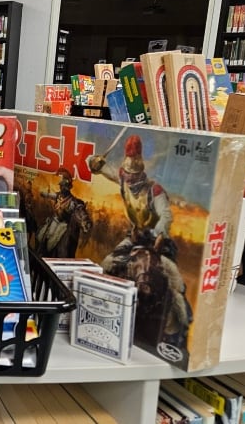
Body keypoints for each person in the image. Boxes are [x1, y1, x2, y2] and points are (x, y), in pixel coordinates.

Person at [88, 134, 191, 346]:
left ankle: (180, 325)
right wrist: (94, 161)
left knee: (175, 280)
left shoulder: (154, 190)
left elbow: (166, 214)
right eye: (126, 176)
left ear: (140, 175)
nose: (129, 181)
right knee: (107, 263)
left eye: (133, 178)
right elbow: (99, 167)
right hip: (134, 236)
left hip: (156, 240)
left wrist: (160, 233)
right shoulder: (123, 179)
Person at [35, 167, 91, 258]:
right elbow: (50, 195)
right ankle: (42, 252)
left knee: (55, 236)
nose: (61, 188)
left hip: (64, 223)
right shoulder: (58, 195)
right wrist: (43, 193)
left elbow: (75, 212)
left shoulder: (72, 200)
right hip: (55, 220)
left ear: (67, 188)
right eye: (61, 186)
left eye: (63, 187)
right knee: (45, 234)